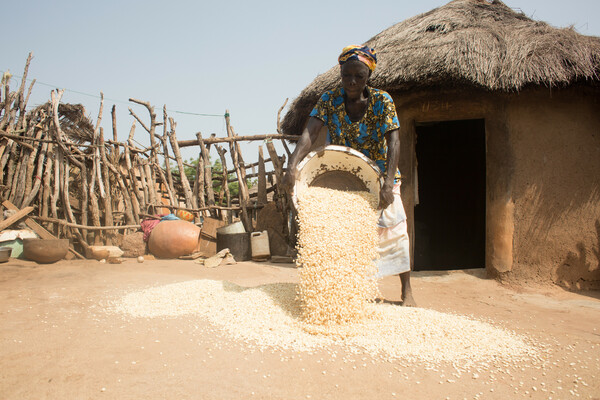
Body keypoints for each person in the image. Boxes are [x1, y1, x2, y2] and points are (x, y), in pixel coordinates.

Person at [282, 45, 416, 307]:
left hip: (379, 173)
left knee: (394, 229)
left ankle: (406, 290)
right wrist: (292, 164)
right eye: (346, 76)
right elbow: (310, 134)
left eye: (359, 76)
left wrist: (388, 183)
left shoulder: (382, 101)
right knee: (348, 236)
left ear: (368, 77)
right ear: (340, 74)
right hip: (342, 173)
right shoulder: (329, 100)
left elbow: (395, 142)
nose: (352, 82)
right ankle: (351, 289)